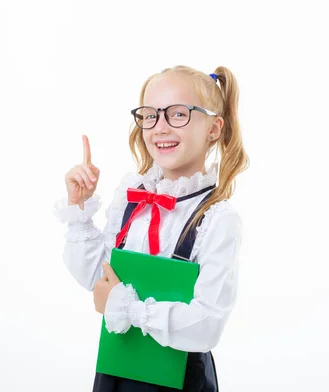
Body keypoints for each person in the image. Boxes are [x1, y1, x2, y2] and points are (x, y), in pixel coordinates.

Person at [54, 65, 249, 391]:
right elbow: (96, 279)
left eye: (177, 114)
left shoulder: (218, 219)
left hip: (179, 380)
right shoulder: (131, 197)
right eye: (150, 115)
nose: (160, 127)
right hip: (117, 370)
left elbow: (208, 325)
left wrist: (127, 308)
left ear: (214, 128)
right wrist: (79, 208)